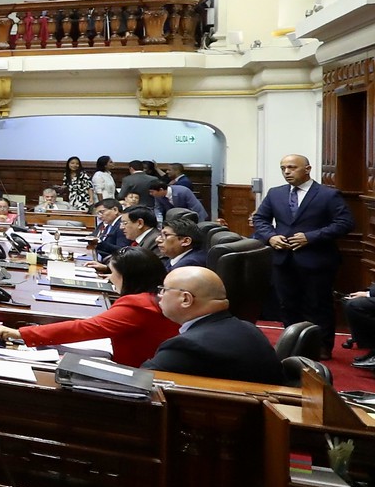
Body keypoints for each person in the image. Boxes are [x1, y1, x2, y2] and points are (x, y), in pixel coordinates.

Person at [0, 248, 177, 366]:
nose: (110, 278)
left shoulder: (138, 304)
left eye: (113, 273)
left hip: (134, 370)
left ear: (130, 277)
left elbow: (84, 328)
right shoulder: (153, 297)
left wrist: (20, 333)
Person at [252, 153, 355, 336]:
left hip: (317, 259)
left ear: (307, 169)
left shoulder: (328, 195)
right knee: (287, 305)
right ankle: (293, 343)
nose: (286, 172)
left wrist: (311, 237)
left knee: (318, 305)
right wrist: (271, 237)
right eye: (283, 168)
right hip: (283, 260)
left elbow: (345, 223)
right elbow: (260, 218)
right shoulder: (276, 193)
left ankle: (322, 346)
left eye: (292, 167)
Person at [144, 267, 283, 383]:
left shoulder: (187, 346)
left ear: (186, 299)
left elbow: (141, 382)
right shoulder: (248, 328)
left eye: (164, 289)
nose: (159, 295)